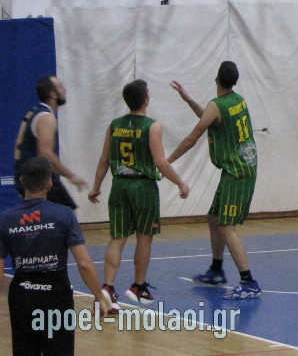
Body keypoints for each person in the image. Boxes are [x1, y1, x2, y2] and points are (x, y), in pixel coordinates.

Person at [88, 79, 191, 312]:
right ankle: (138, 286)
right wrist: (180, 183)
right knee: (144, 237)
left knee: (117, 238)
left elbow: (104, 159)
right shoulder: (152, 126)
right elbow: (160, 162)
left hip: (119, 185)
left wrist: (96, 187)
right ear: (146, 100)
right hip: (143, 187)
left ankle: (108, 288)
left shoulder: (114, 125)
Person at [168, 61, 261, 299]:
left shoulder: (216, 105)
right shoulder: (237, 100)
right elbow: (209, 118)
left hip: (237, 172)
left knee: (227, 226)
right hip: (240, 167)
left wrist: (167, 161)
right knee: (214, 218)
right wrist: (189, 100)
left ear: (216, 79)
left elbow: (192, 138)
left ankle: (248, 282)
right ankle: (216, 270)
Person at [0, 157, 108, 355]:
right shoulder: (63, 215)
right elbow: (84, 264)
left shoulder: (5, 219)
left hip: (22, 294)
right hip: (56, 294)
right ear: (49, 184)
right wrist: (99, 296)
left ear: (22, 181)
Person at [13, 76, 88, 209]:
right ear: (53, 95)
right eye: (61, 86)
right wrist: (71, 176)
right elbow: (46, 155)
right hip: (36, 177)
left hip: (24, 174)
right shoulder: (46, 118)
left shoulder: (33, 112)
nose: (64, 90)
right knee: (67, 212)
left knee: (44, 215)